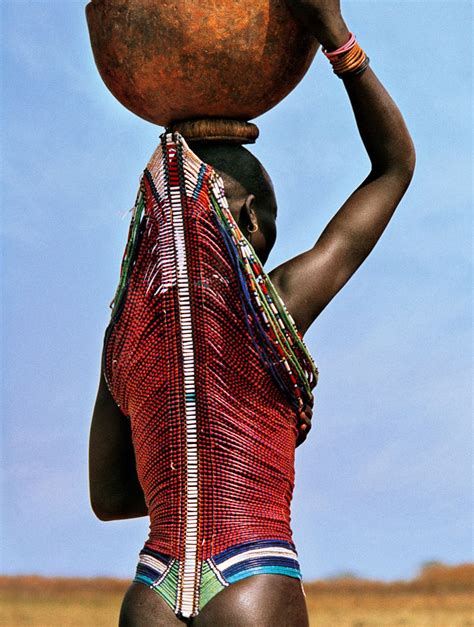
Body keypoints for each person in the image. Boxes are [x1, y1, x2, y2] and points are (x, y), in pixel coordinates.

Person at [88, 1, 415, 625]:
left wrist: (182, 470)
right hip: (251, 575)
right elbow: (394, 168)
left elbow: (109, 497)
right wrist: (337, 40)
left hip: (151, 592)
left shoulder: (126, 333)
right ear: (250, 221)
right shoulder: (274, 304)